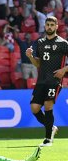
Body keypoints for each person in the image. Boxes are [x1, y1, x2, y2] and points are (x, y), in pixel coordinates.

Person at [25, 16, 68, 147]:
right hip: (41, 80)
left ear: (56, 27)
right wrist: (30, 57)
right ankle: (52, 127)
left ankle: (48, 139)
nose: (49, 27)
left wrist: (64, 69)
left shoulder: (63, 43)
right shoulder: (40, 42)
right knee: (34, 108)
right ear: (45, 26)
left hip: (54, 80)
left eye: (52, 25)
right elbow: (38, 64)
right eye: (47, 24)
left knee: (48, 105)